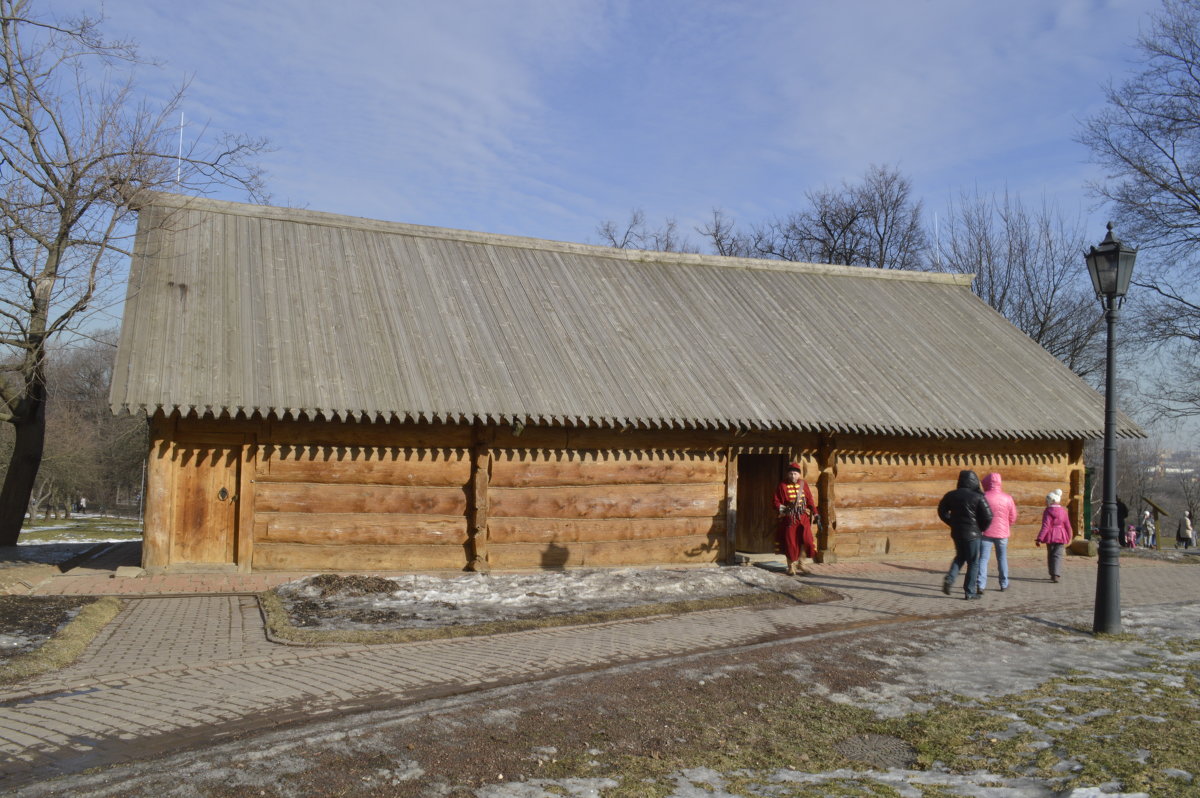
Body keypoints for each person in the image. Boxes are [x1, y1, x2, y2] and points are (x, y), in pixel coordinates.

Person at [937, 470, 992, 600]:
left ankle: (950, 579)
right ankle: (969, 592)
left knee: (960, 557)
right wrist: (981, 529)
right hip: (973, 535)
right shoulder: (978, 496)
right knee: (973, 562)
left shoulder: (951, 495)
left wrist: (951, 522)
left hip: (957, 533)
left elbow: (941, 511)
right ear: (974, 481)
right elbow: (988, 516)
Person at [773, 462, 817, 576]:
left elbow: (810, 499)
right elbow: (775, 501)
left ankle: (801, 564)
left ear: (799, 475)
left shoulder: (804, 484)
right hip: (790, 518)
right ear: (788, 474)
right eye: (791, 474)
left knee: (806, 540)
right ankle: (791, 566)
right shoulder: (782, 485)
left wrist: (815, 513)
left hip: (803, 518)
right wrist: (783, 509)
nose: (793, 476)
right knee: (791, 543)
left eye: (795, 474)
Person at [977, 472, 1017, 594]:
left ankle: (980, 585)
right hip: (1003, 533)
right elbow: (1013, 516)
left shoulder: (982, 497)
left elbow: (978, 515)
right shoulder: (1007, 498)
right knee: (1002, 558)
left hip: (986, 533)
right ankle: (1004, 584)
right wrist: (1007, 525)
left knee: (983, 559)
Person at [1036, 489, 1073, 583]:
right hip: (1061, 535)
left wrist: (1039, 538)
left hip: (1050, 536)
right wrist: (1069, 536)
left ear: (1051, 500)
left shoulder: (1048, 511)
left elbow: (1046, 526)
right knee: (1058, 555)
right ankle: (1056, 574)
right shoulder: (1063, 511)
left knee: (1051, 554)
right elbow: (1068, 525)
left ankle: (1052, 573)